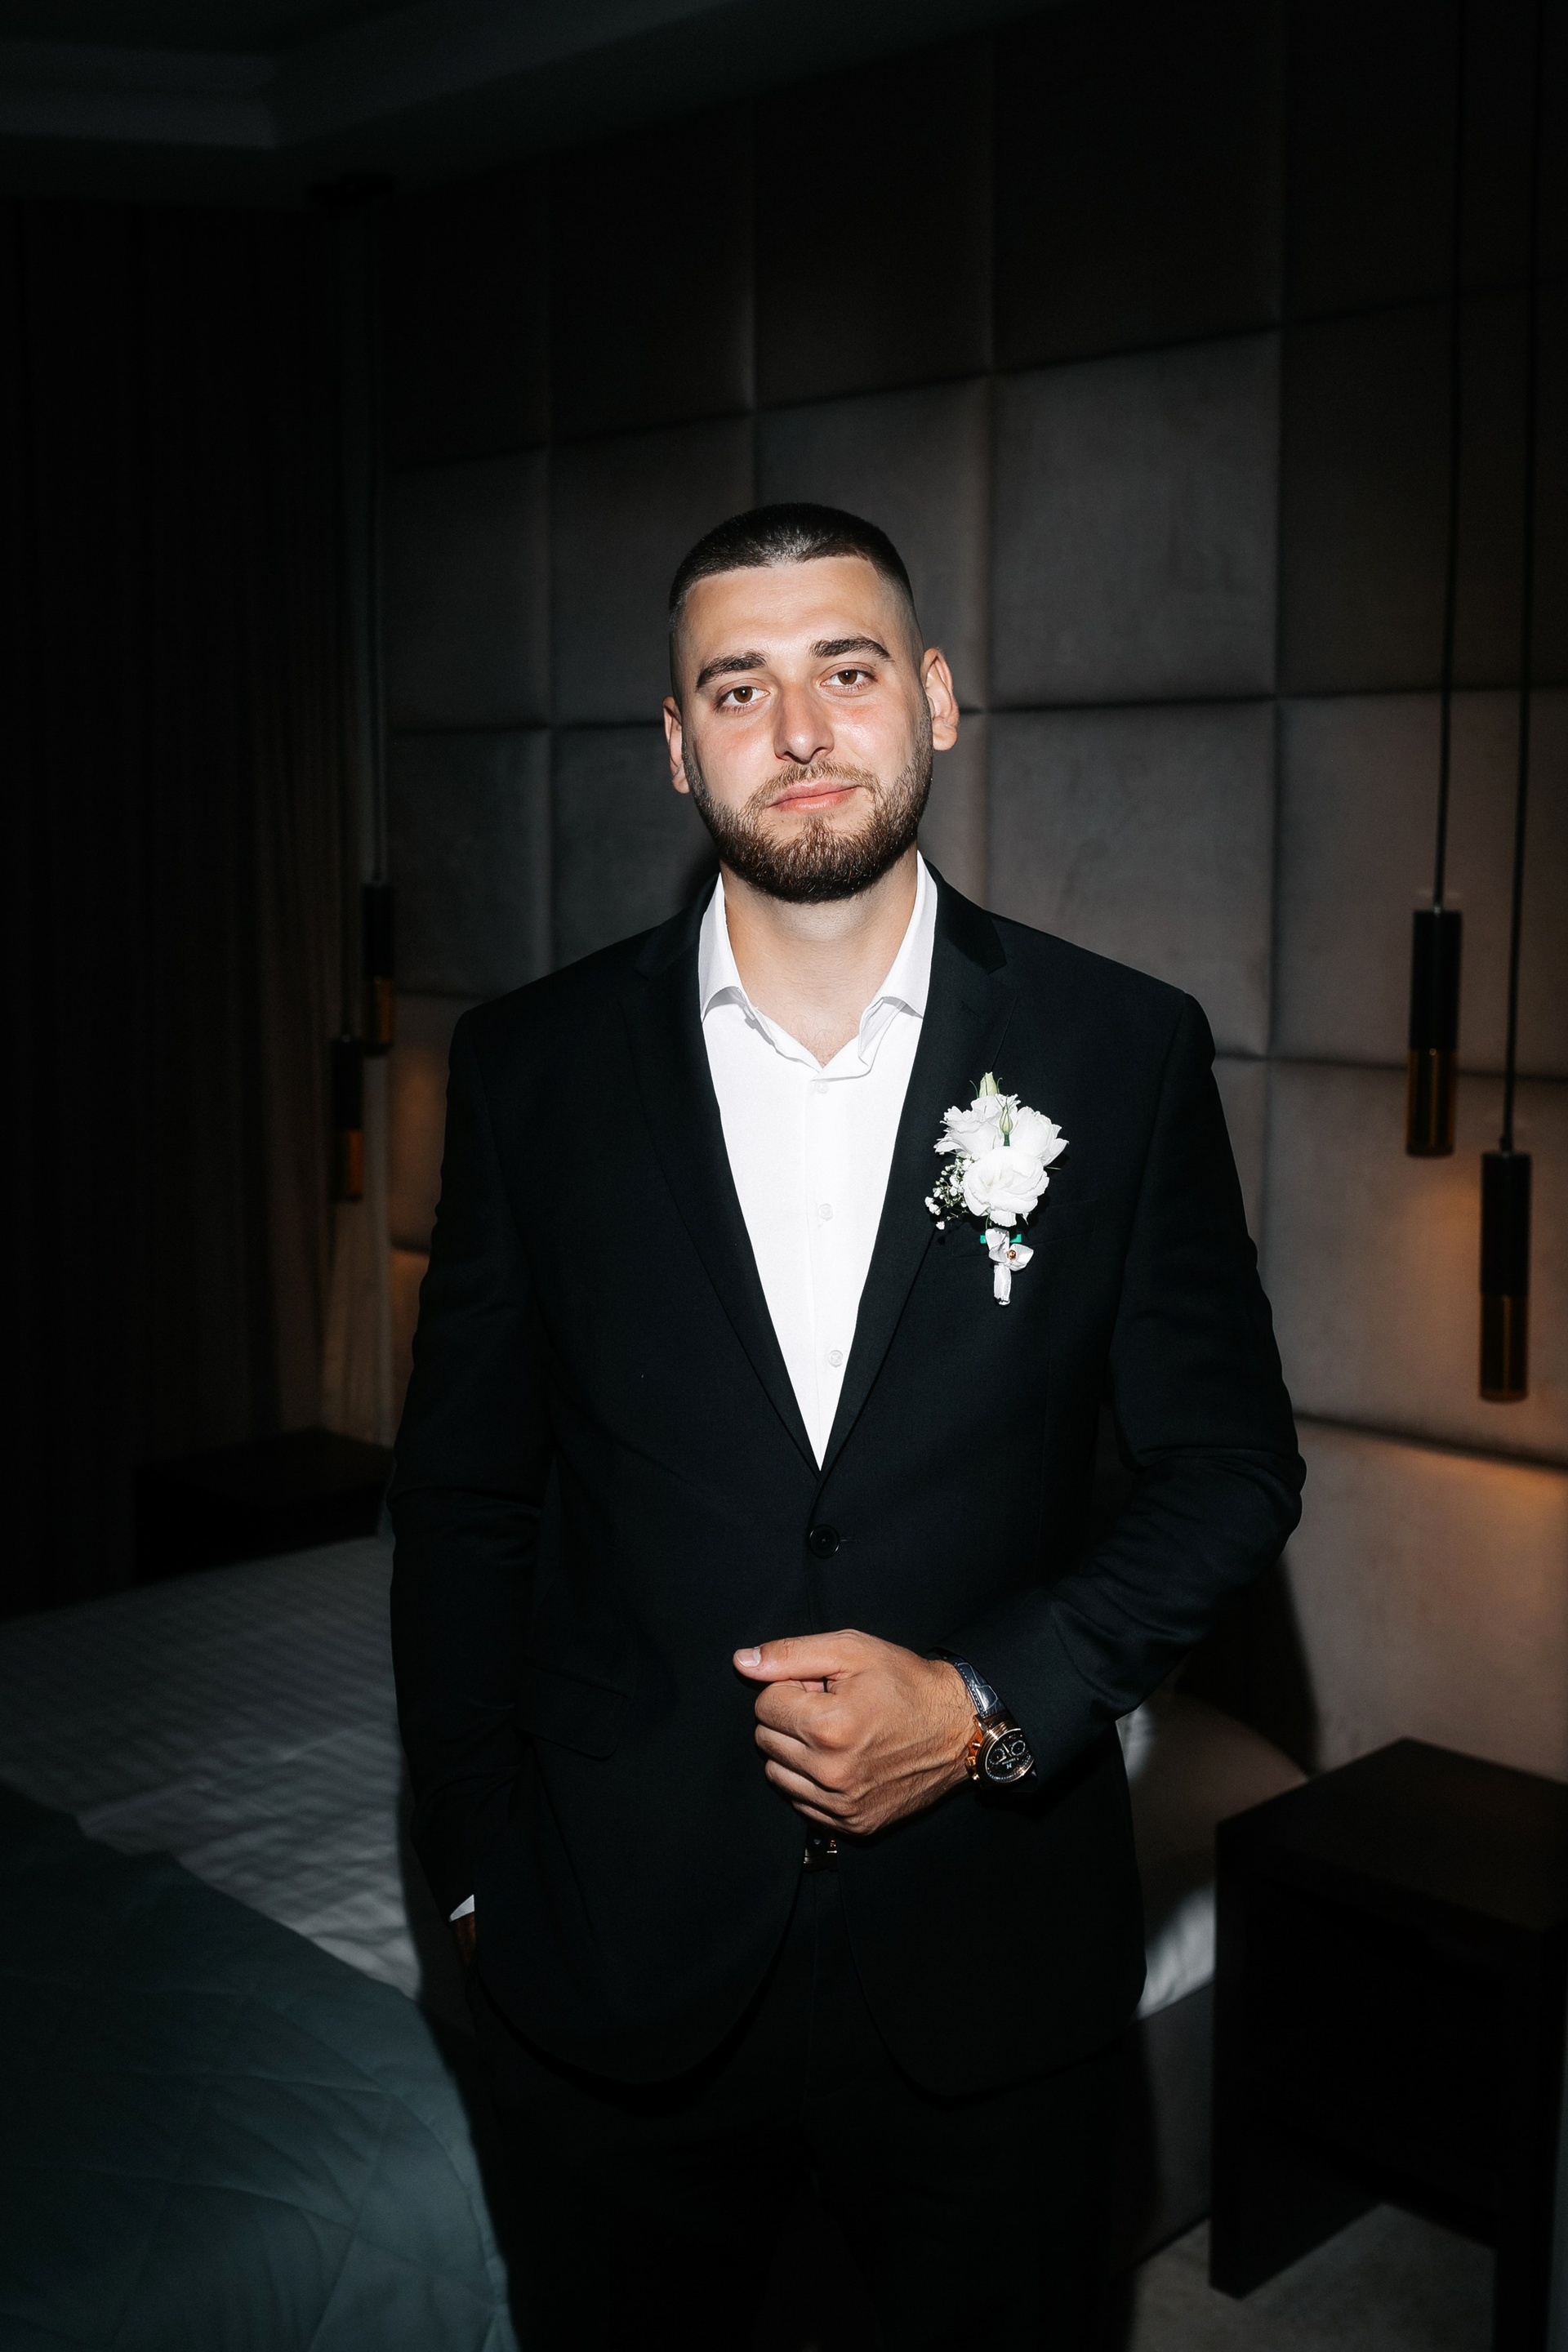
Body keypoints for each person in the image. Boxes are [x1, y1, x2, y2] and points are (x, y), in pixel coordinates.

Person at [390, 503, 1303, 2349]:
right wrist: (477, 1881)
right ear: (678, 745)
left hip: (992, 1978)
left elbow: (1229, 1472)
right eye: (739, 687)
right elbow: (468, 1501)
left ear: (937, 701)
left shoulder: (1119, 1050)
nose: (800, 728)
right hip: (618, 1969)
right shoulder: (530, 1069)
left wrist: (978, 1706)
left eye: (848, 668)